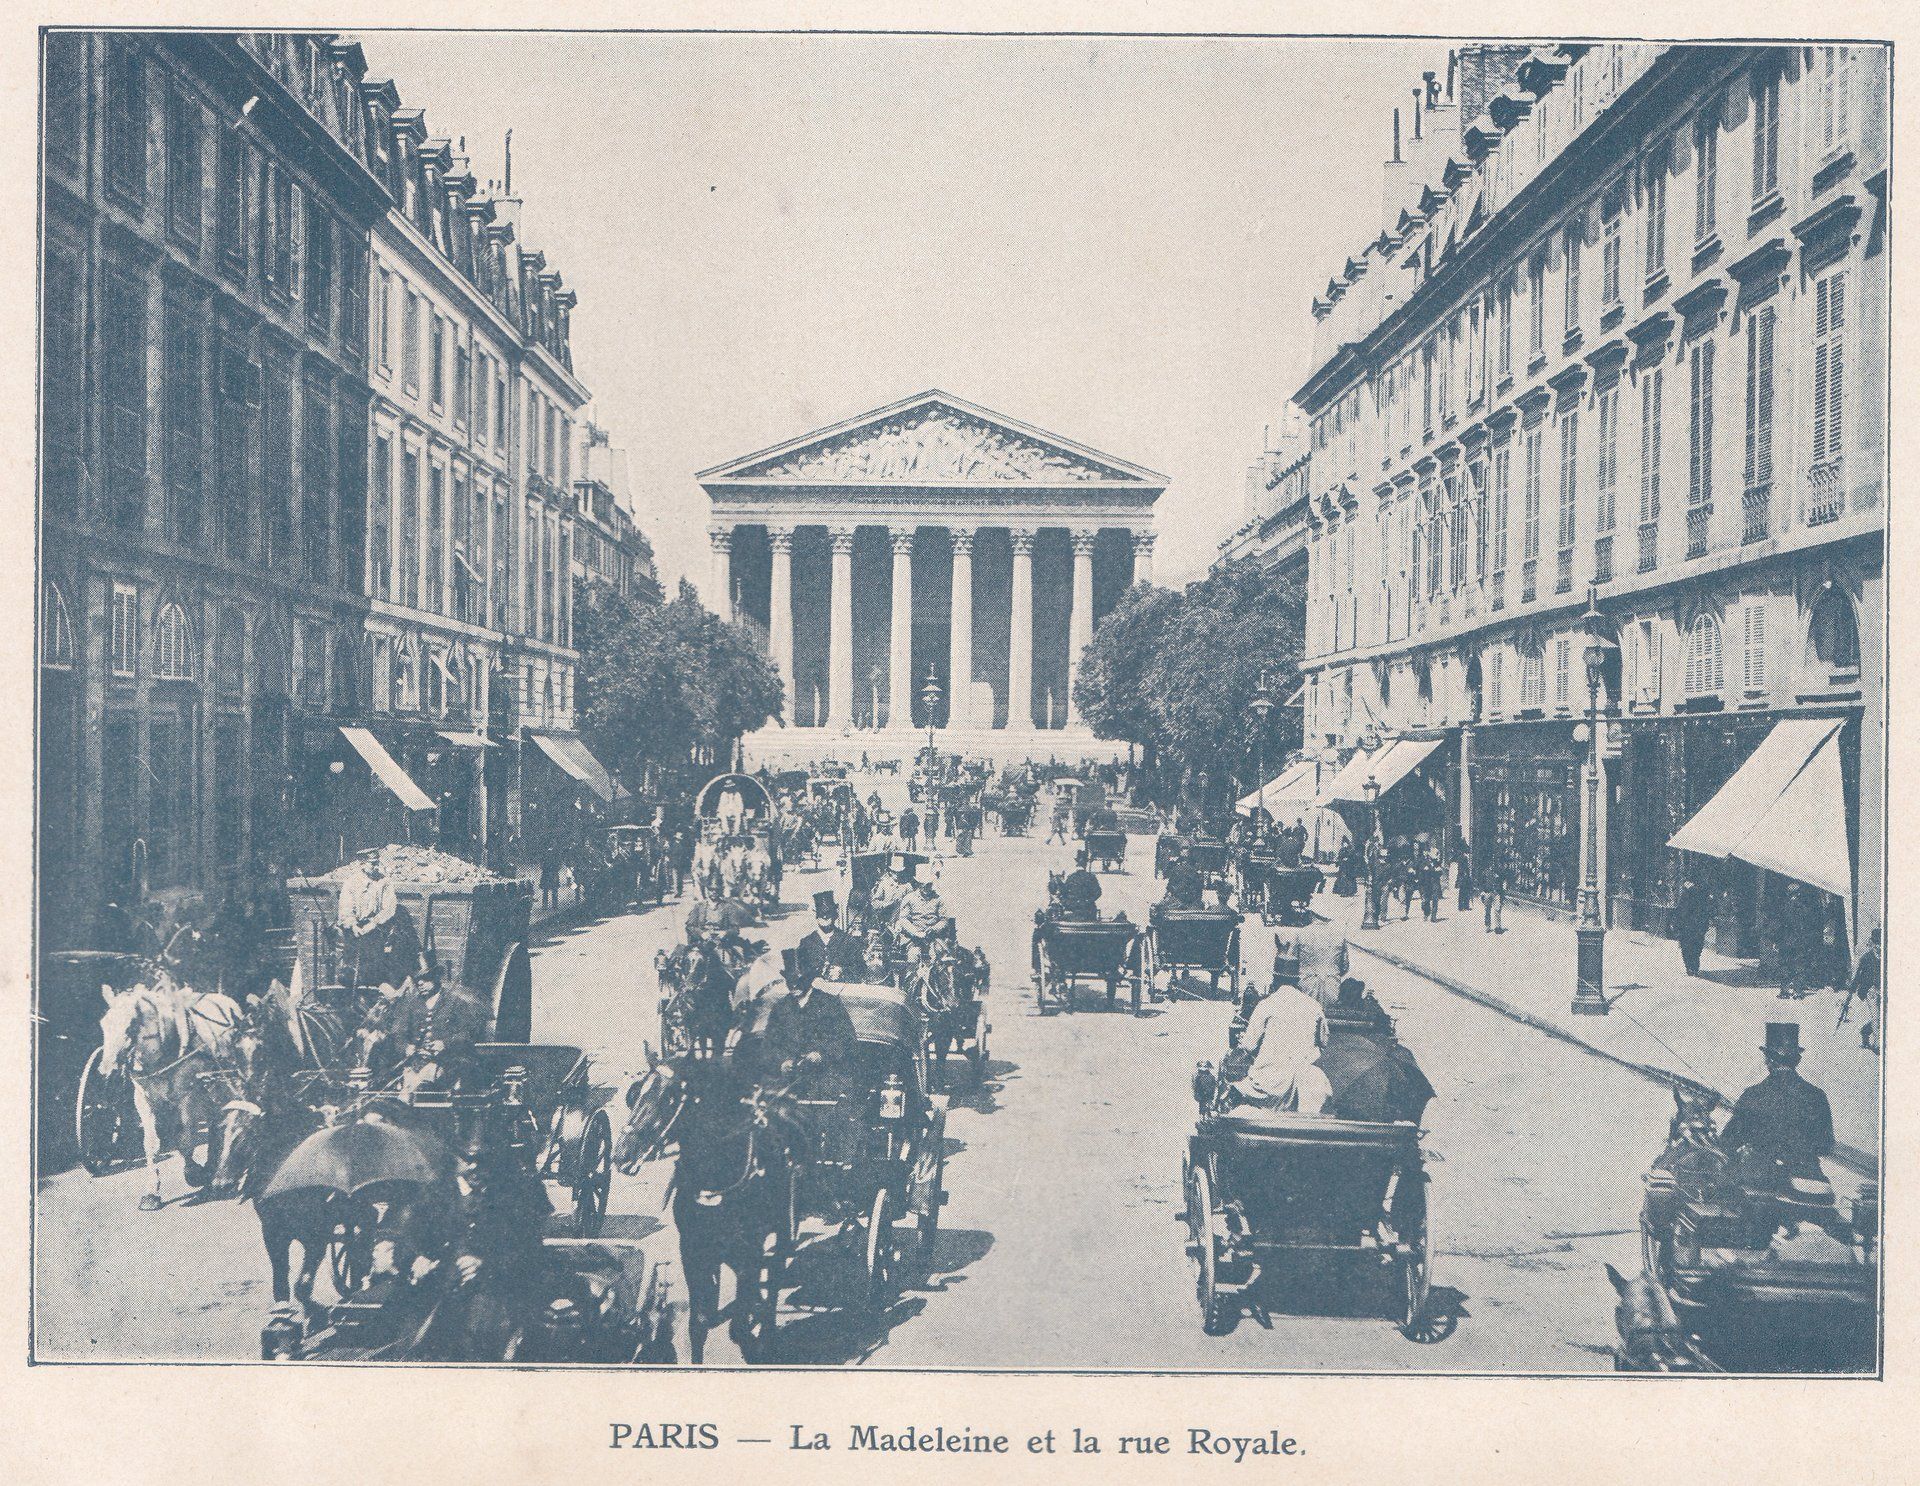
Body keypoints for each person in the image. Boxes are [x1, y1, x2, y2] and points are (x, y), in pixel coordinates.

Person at [1720, 1022, 1835, 1189]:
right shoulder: (1817, 1095)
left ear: (1768, 1060)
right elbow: (1825, 1146)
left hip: (1765, 1181)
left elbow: (1728, 1141)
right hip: (1810, 1180)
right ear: (1797, 1060)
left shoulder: (1753, 1094)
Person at [1232, 976, 1332, 1113]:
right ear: (1297, 982)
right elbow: (1324, 1042)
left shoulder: (1266, 1004)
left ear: (1274, 981)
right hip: (1302, 1077)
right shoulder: (1314, 1005)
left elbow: (1249, 1046)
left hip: (1269, 1082)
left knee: (1233, 1088)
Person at [1273, 916, 1350, 1009]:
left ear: (1312, 914)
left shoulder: (1301, 933)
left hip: (1307, 983)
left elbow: (1291, 963)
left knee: (1307, 1013)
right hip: (1332, 984)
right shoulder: (1339, 935)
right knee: (1330, 1014)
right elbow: (1345, 966)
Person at [793, 890, 863, 989]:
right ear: (816, 915)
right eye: (821, 914)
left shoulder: (848, 941)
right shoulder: (806, 943)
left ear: (835, 915)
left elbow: (861, 969)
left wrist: (842, 971)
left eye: (828, 913)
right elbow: (799, 972)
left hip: (842, 992)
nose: (825, 917)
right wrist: (812, 979)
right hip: (814, 993)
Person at [894, 864, 953, 947]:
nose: (926, 887)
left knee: (938, 951)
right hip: (913, 938)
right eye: (923, 884)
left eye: (928, 884)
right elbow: (904, 919)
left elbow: (944, 920)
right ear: (918, 884)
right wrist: (915, 932)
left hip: (933, 937)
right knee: (914, 953)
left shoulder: (938, 899)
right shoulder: (909, 898)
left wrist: (934, 928)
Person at [1673, 876, 1713, 978]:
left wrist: (1677, 924)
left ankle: (1690, 967)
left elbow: (1680, 910)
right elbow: (1706, 911)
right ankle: (1694, 967)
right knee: (1696, 946)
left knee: (1686, 947)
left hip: (1687, 925)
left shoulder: (1686, 894)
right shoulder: (1702, 894)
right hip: (1697, 925)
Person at [1059, 849, 1103, 920]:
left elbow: (1063, 894)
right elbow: (1098, 893)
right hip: (1089, 912)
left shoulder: (1071, 878)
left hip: (1073, 912)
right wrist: (1087, 901)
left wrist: (1070, 903)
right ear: (1086, 864)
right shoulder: (1091, 877)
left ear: (1076, 862)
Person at [1481, 843, 1508, 934]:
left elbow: (1503, 882)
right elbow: (1482, 882)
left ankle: (1498, 927)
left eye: (1494, 862)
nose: (1493, 864)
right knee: (1487, 910)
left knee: (1497, 909)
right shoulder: (1485, 872)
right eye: (1491, 862)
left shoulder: (1499, 872)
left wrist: (1502, 892)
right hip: (1487, 892)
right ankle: (1488, 925)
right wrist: (1482, 892)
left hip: (1496, 893)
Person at [1452, 837, 1473, 914]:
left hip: (1464, 875)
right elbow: (1460, 868)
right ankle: (1461, 906)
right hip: (1463, 876)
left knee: (1465, 890)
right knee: (1463, 891)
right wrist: (1464, 874)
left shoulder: (1462, 856)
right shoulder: (1462, 857)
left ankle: (1465, 906)